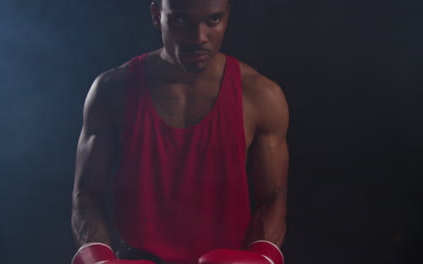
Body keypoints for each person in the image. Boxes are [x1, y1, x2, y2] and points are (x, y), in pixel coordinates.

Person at [71, 0, 289, 264]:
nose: (199, 37)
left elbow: (273, 197)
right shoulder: (112, 90)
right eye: (182, 20)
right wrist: (99, 259)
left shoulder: (260, 95)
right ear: (156, 15)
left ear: (227, 15)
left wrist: (262, 256)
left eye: (213, 20)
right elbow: (87, 193)